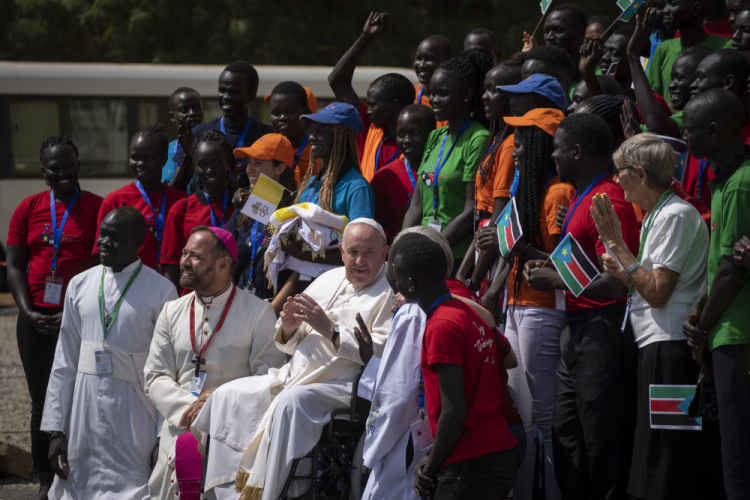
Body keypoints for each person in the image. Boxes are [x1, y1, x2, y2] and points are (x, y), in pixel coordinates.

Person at [192, 219, 393, 500]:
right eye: (352, 252)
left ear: (384, 252)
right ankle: (222, 491)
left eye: (368, 253)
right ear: (342, 253)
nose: (359, 261)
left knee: (289, 403)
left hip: (342, 386)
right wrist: (288, 325)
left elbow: (382, 352)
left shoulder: (391, 293)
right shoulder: (328, 279)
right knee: (227, 395)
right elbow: (287, 344)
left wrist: (331, 330)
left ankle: (268, 493)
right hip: (294, 375)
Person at [523, 113, 640, 499]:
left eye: (557, 150)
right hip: (577, 329)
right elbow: (583, 265)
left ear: (576, 151)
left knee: (601, 440)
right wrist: (547, 262)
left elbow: (619, 282)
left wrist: (554, 279)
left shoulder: (608, 202)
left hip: (602, 330)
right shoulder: (580, 197)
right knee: (567, 434)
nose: (553, 158)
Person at [591, 134, 711, 500]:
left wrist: (618, 247)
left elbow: (658, 291)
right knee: (654, 446)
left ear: (640, 174)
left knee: (669, 450)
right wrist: (625, 267)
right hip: (655, 341)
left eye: (620, 172)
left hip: (671, 345)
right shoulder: (658, 215)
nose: (615, 180)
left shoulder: (674, 214)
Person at [40, 207, 178, 499]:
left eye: (115, 238)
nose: (104, 243)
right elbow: (64, 361)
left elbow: (169, 370)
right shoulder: (79, 284)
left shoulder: (162, 290)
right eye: (102, 235)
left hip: (136, 410)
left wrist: (163, 438)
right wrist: (56, 431)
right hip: (84, 408)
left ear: (139, 242)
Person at [145, 225, 284, 500]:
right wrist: (192, 409)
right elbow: (155, 376)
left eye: (195, 256)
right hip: (179, 431)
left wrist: (215, 405)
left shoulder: (259, 313)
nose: (184, 261)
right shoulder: (172, 311)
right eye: (184, 252)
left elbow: (269, 379)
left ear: (223, 264)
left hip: (231, 438)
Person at [6, 135, 103, 499]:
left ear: (78, 165)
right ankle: (45, 480)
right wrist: (28, 311)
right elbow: (14, 266)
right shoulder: (27, 208)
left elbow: (102, 264)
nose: (63, 173)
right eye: (55, 168)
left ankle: (80, 473)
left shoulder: (96, 206)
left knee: (82, 395)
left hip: (79, 317)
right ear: (43, 172)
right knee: (42, 401)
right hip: (35, 320)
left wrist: (74, 312)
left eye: (69, 165)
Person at [484, 107, 573, 500]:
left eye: (522, 142)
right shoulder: (530, 190)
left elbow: (569, 268)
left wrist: (520, 248)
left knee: (545, 418)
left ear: (541, 146)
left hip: (544, 308)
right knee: (520, 415)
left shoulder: (558, 193)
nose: (514, 149)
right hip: (518, 305)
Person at [393, 237, 517, 499]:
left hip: (472, 459)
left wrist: (430, 465)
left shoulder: (442, 326)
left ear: (411, 284)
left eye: (397, 275)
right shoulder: (467, 313)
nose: (395, 281)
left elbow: (454, 414)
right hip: (491, 452)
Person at [682, 88, 750, 500]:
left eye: (689, 132)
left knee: (739, 454)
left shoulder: (741, 184)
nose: (684, 140)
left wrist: (701, 327)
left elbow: (731, 271)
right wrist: (698, 309)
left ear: (713, 130)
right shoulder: (722, 181)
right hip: (723, 330)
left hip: (737, 334)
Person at [402, 50, 493, 276]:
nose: (434, 100)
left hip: (454, 255)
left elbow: (471, 207)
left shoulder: (477, 138)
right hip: (422, 251)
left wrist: (433, 246)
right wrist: (403, 243)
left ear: (467, 94)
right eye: (432, 94)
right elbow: (417, 204)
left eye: (443, 94)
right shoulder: (435, 137)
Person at [456, 57, 522, 305]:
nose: (485, 96)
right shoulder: (498, 141)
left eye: (494, 90)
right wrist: (463, 273)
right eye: (485, 89)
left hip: (491, 250)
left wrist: (473, 278)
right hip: (482, 238)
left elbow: (498, 215)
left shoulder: (508, 146)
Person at [328, 12, 417, 181]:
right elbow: (337, 81)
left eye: (373, 105)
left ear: (394, 105)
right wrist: (365, 37)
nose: (368, 110)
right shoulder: (368, 128)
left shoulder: (418, 140)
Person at [95, 123, 188, 273]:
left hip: (174, 285)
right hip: (130, 287)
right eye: (135, 157)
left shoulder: (182, 201)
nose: (140, 164)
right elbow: (101, 257)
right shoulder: (115, 201)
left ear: (164, 159)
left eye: (148, 158)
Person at [170, 61, 274, 190]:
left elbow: (278, 184)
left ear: (251, 96)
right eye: (222, 90)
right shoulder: (199, 133)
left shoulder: (268, 136)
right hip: (209, 209)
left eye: (234, 92)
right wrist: (188, 157)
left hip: (252, 209)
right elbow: (175, 189)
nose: (226, 97)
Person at [226, 134, 298, 312]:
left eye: (258, 163)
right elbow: (226, 262)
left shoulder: (295, 211)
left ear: (280, 167)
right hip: (240, 310)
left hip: (279, 313)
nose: (249, 169)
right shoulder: (243, 210)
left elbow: (298, 272)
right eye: (249, 162)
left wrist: (270, 312)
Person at [162, 130, 238, 292]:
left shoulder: (243, 205)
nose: (210, 170)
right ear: (194, 167)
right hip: (193, 302)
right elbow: (172, 266)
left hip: (238, 300)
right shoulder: (180, 209)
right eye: (202, 164)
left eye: (217, 162)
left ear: (228, 163)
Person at [371, 104, 436, 244]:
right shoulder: (384, 177)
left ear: (433, 133)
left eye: (415, 133)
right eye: (401, 134)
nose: (407, 140)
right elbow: (378, 232)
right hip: (399, 256)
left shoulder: (445, 172)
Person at [646, 0, 733, 102]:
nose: (665, 10)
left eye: (673, 4)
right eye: (665, 5)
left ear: (695, 9)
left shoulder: (725, 47)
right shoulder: (663, 48)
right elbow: (652, 98)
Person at [264, 81, 317, 186]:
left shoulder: (320, 152)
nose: (283, 117)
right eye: (276, 113)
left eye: (290, 111)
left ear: (305, 113)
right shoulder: (265, 150)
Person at [162, 87, 204, 192]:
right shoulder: (163, 152)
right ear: (172, 116)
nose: (192, 113)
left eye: (197, 108)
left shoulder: (216, 148)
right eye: (184, 110)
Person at [413, 34, 453, 127]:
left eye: (429, 59)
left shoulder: (456, 100)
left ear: (448, 61)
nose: (422, 65)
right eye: (418, 58)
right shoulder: (408, 96)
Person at [600, 26, 638, 101]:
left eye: (615, 53)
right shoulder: (597, 87)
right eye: (604, 51)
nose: (605, 57)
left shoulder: (640, 102)